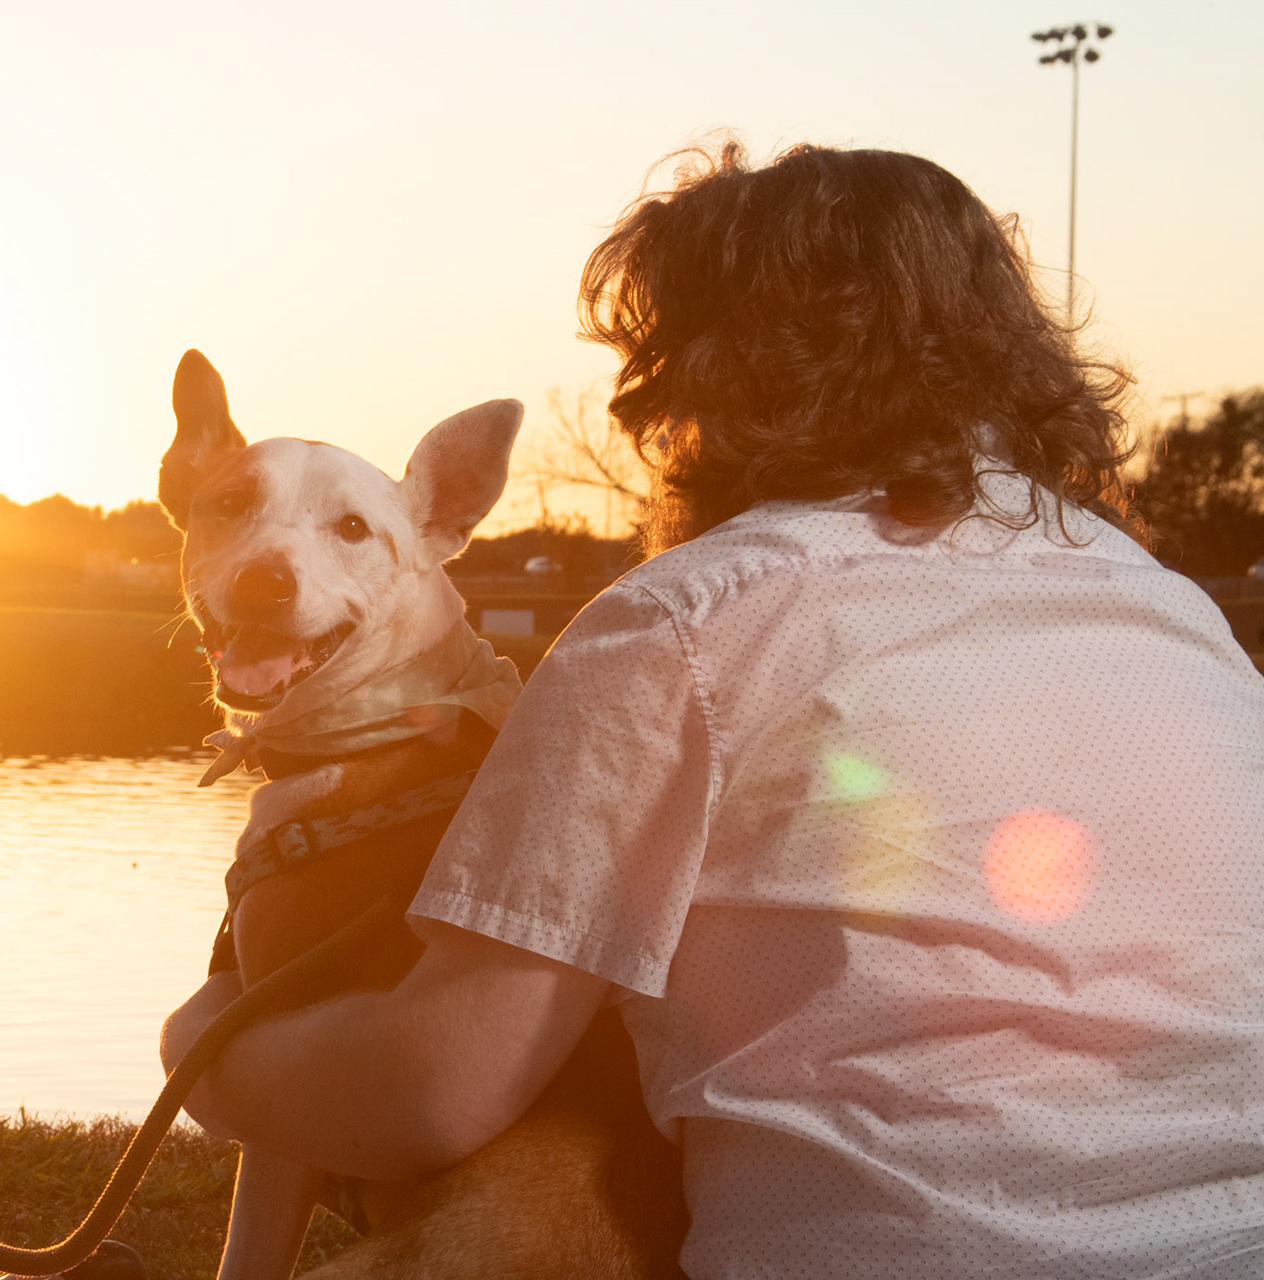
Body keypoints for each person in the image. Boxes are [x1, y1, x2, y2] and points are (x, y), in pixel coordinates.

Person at [164, 143, 1264, 1277]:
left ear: (710, 379)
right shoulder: (1181, 619)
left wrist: (202, 1047)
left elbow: (433, 1088)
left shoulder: (679, 625)